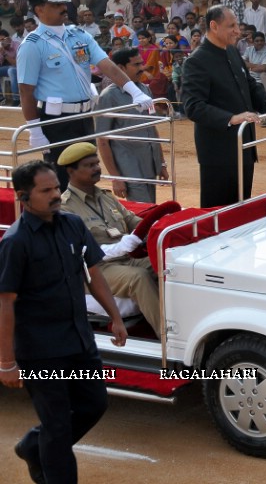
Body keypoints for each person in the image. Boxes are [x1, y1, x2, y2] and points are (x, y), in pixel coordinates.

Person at [0, 160, 126, 484]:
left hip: (78, 340)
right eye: (46, 191)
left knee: (94, 404)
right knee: (56, 426)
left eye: (56, 187)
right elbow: (5, 304)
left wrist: (115, 317)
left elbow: (93, 273)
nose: (56, 194)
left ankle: (32, 445)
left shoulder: (72, 224)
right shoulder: (15, 242)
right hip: (41, 350)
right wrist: (6, 362)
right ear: (24, 197)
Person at [17, 0, 155, 190]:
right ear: (39, 9)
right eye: (55, 5)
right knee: (61, 178)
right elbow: (26, 91)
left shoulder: (79, 35)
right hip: (56, 121)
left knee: (89, 174)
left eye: (63, 3)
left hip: (84, 117)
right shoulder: (32, 45)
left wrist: (134, 92)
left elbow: (107, 66)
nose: (64, 8)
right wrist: (35, 130)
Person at [181, 6, 266, 207]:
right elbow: (193, 106)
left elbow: (249, 85)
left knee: (241, 210)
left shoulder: (232, 52)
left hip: (244, 146)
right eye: (232, 26)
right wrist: (230, 118)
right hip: (218, 153)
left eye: (237, 25)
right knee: (218, 215)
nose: (238, 31)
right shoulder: (197, 61)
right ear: (214, 26)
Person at [58, 143, 161, 331]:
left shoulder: (106, 197)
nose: (97, 168)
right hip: (95, 270)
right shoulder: (65, 208)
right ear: (71, 171)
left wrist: (159, 227)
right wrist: (122, 246)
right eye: (89, 165)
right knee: (138, 278)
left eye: (97, 163)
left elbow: (134, 222)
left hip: (128, 258)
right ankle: (168, 341)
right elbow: (81, 253)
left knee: (167, 264)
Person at [97, 47, 168, 203]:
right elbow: (102, 140)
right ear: (120, 68)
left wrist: (161, 163)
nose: (141, 68)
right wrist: (115, 177)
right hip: (129, 168)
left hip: (149, 164)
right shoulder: (109, 97)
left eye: (141, 63)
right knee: (143, 213)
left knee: (150, 208)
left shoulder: (145, 92)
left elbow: (152, 127)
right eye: (136, 65)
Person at [0, 29, 19, 106]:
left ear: (9, 38)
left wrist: (4, 54)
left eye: (2, 39)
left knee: (11, 70)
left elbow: (17, 64)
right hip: (8, 67)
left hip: (20, 68)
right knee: (10, 70)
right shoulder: (2, 48)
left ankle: (16, 99)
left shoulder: (17, 46)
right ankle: (1, 97)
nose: (1, 42)